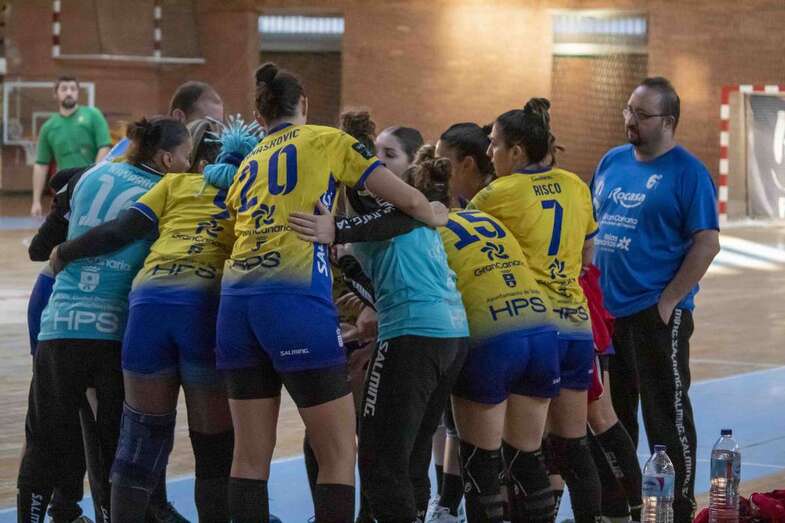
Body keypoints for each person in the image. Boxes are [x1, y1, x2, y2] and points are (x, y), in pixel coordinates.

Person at [216, 62, 446, 523]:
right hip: (294, 302)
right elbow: (406, 199)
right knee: (339, 455)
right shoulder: (327, 140)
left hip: (235, 305)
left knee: (247, 460)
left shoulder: (248, 164)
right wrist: (435, 211)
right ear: (304, 105)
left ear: (260, 117)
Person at [50, 118, 261, 522]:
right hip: (202, 310)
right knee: (213, 452)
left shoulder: (173, 184)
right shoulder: (252, 194)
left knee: (139, 446)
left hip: (148, 305)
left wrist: (66, 251)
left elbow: (121, 230)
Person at [17, 116, 192, 523]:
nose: (189, 164)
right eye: (185, 156)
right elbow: (122, 233)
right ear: (166, 158)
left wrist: (65, 249)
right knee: (113, 443)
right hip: (115, 330)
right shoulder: (167, 189)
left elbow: (44, 245)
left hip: (60, 322)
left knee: (44, 438)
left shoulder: (92, 175)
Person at [592, 76, 720, 522]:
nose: (629, 120)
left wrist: (668, 303)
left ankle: (678, 507)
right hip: (606, 314)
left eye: (641, 114)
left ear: (668, 121)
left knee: (665, 416)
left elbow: (706, 243)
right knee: (611, 416)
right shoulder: (611, 161)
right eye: (628, 110)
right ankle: (620, 506)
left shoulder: (689, 174)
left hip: (656, 314)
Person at [470, 99, 602, 523]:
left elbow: (463, 241)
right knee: (573, 445)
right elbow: (588, 251)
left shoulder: (497, 194)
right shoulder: (576, 184)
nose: (489, 153)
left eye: (494, 145)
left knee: (518, 450)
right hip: (578, 329)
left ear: (518, 151)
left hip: (531, 328)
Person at [31, 75, 112, 216]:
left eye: (73, 89)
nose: (69, 92)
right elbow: (41, 164)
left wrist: (92, 178)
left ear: (78, 92)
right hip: (65, 189)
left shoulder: (93, 115)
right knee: (63, 232)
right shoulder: (48, 127)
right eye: (64, 89)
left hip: (93, 185)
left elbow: (104, 147)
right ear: (55, 94)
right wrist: (36, 201)